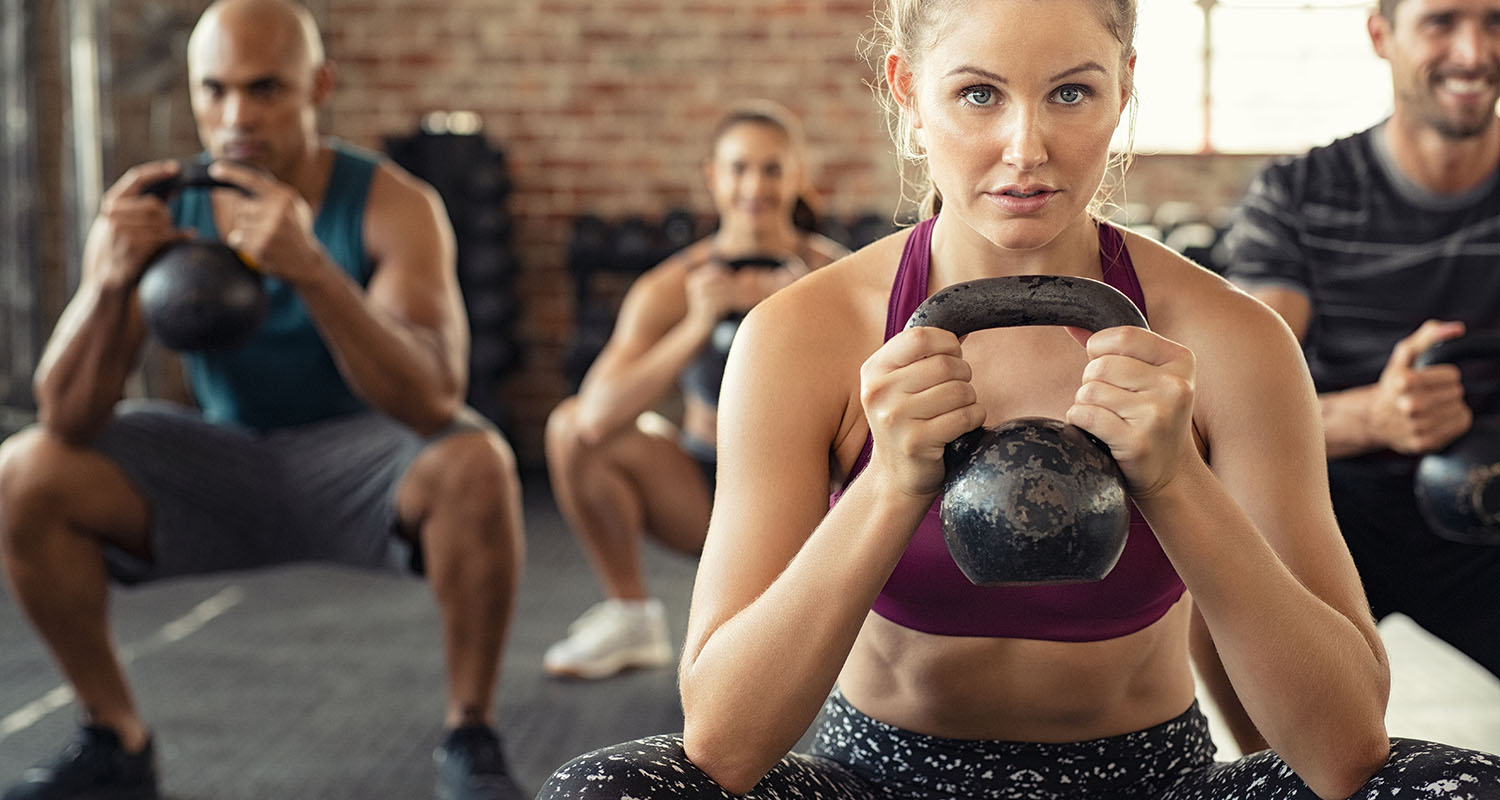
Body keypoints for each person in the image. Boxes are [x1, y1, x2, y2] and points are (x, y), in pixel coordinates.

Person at [536, 0, 1500, 797]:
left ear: (1126, 87)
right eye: (978, 94)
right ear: (910, 94)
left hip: (1148, 780)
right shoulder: (803, 337)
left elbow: (1342, 752)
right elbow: (724, 741)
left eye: (1072, 92)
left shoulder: (1231, 343)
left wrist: (1175, 483)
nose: (1025, 147)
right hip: (877, 778)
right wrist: (885, 487)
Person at [0, 2, 526, 799]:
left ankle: (470, 736)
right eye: (215, 91)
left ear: (319, 85)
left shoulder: (394, 204)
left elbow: (433, 399)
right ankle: (116, 738)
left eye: (266, 89)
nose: (236, 116)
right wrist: (110, 282)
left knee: (478, 458)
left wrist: (313, 270)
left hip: (363, 460)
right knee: (25, 469)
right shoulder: (158, 206)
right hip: (220, 461)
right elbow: (66, 417)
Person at [1201, 0, 1500, 755]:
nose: (1473, 51)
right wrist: (1375, 416)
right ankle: (1279, 777)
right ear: (1382, 36)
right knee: (1211, 528)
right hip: (1331, 508)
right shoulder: (1300, 194)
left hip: (1487, 510)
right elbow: (1228, 406)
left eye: (1497, 22)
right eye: (1442, 22)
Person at [542, 102, 848, 680]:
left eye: (771, 169)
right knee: (567, 426)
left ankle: (862, 622)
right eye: (738, 169)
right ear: (713, 175)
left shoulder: (835, 277)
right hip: (703, 488)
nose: (754, 186)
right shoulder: (671, 286)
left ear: (798, 175)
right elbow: (594, 417)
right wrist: (695, 324)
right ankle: (631, 615)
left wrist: (801, 313)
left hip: (812, 495)